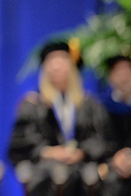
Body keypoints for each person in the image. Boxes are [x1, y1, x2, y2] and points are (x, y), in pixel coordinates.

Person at [8, 41, 112, 196]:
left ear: (72, 66)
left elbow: (103, 141)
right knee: (54, 174)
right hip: (46, 172)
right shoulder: (33, 105)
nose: (56, 67)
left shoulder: (89, 104)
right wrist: (46, 152)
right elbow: (18, 146)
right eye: (51, 62)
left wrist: (81, 152)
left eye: (62, 60)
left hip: (82, 169)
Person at [100, 53, 131, 196]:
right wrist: (114, 159)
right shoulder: (101, 107)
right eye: (118, 71)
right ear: (110, 77)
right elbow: (97, 139)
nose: (123, 76)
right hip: (112, 163)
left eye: (127, 70)